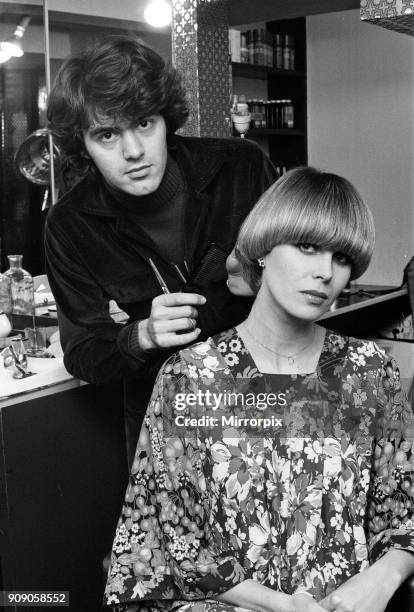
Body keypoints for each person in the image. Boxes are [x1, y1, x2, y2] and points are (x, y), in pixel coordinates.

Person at [104, 167, 414, 612]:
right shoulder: (192, 376)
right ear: (264, 249)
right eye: (307, 246)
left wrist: (381, 581)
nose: (325, 272)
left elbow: (404, 511)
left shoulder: (367, 371)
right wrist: (278, 605)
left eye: (342, 258)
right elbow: (161, 545)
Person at [44, 35, 277, 465]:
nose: (133, 152)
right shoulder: (70, 224)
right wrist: (142, 335)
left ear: (166, 119)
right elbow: (82, 351)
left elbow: (305, 266)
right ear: (82, 143)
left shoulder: (240, 168)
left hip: (266, 401)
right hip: (163, 419)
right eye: (108, 134)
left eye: (145, 124)